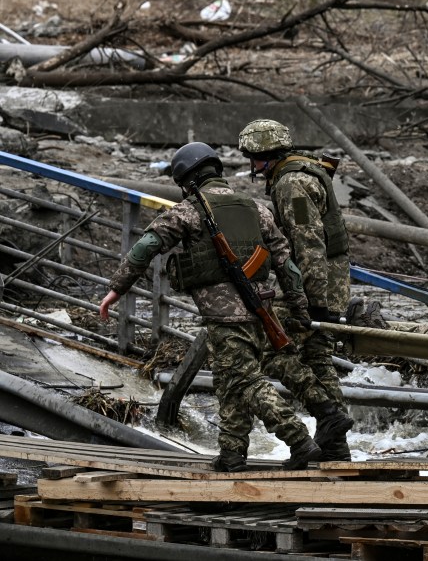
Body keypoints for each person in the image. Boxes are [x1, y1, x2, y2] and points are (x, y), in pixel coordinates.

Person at [99, 142, 322, 472]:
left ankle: (300, 441)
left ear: (188, 180)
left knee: (245, 381)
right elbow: (286, 263)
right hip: (261, 311)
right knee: (230, 380)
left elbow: (147, 245)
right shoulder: (256, 208)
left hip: (225, 316)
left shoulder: (189, 211)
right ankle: (232, 453)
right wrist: (299, 308)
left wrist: (117, 289)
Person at [238, 119, 354, 461]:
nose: (253, 167)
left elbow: (308, 243)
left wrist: (312, 303)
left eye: (255, 159)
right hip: (329, 283)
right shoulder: (302, 172)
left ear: (269, 155)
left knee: (268, 350)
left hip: (316, 286)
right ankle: (335, 444)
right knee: (317, 358)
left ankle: (328, 418)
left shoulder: (291, 184)